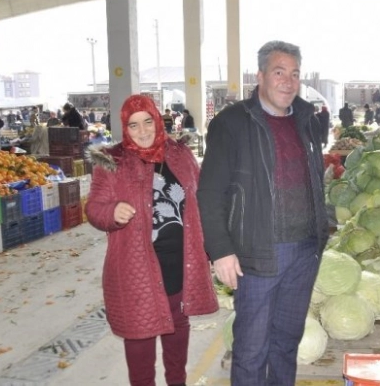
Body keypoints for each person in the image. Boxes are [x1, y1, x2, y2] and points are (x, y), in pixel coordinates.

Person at [197, 40, 329, 386]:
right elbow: (209, 192)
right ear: (260, 76)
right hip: (257, 252)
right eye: (279, 72)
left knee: (286, 343)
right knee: (252, 350)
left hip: (304, 250)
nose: (288, 81)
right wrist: (221, 250)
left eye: (295, 73)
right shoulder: (232, 123)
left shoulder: (306, 119)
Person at [85, 94, 218, 386]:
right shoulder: (112, 161)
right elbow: (93, 208)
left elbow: (203, 197)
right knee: (139, 337)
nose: (143, 130)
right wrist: (111, 212)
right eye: (134, 125)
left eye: (148, 122)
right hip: (136, 269)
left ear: (158, 121)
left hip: (180, 263)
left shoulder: (180, 154)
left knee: (177, 328)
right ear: (124, 128)